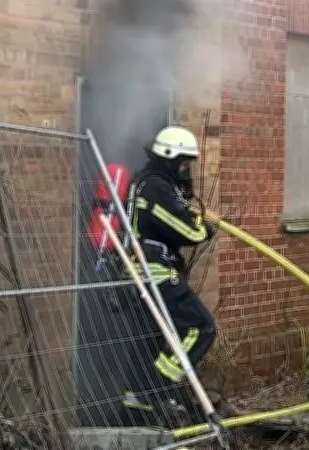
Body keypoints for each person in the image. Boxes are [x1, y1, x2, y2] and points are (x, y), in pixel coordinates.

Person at [122, 125, 218, 426]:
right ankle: (157, 390)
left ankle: (139, 401)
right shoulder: (155, 186)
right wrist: (204, 227)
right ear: (168, 158)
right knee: (200, 328)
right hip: (154, 272)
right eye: (183, 163)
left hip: (146, 272)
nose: (186, 170)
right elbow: (188, 231)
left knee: (154, 339)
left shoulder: (151, 183)